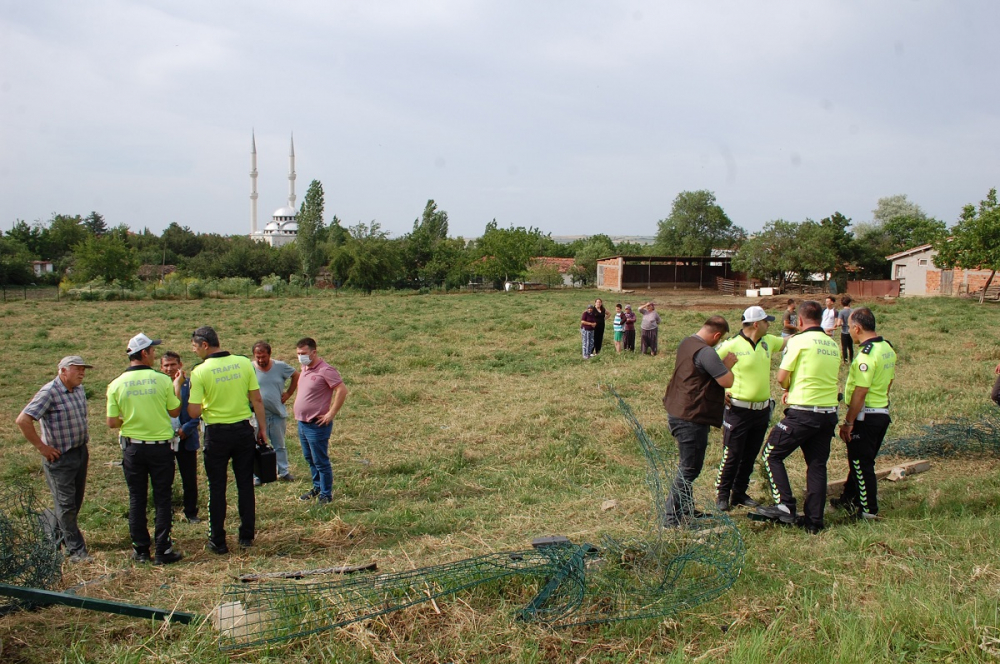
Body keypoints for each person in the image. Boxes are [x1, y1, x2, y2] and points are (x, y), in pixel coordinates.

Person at [756, 300, 841, 534]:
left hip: (803, 412)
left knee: (771, 454)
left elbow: (782, 376)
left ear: (800, 321)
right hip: (828, 413)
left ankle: (784, 505)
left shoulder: (798, 341)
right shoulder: (832, 344)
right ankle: (814, 521)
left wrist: (787, 390)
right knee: (817, 465)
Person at [188, 326, 267, 554]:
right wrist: (262, 428)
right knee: (245, 484)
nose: (194, 351)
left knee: (217, 487)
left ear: (205, 345)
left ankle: (218, 540)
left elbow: (193, 412)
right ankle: (246, 536)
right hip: (243, 430)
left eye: (194, 347)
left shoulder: (200, 372)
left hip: (217, 434)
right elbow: (257, 399)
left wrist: (204, 403)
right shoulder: (243, 363)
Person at [107, 333, 184, 564]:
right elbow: (174, 412)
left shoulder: (116, 384)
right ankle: (163, 550)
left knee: (137, 498)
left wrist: (130, 421)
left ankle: (141, 550)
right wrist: (177, 386)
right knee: (162, 498)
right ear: (143, 353)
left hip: (132, 448)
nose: (154, 355)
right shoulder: (162, 380)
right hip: (160, 449)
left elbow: (112, 422)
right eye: (152, 351)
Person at [16, 356, 94, 563]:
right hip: (59, 457)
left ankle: (54, 536)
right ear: (62, 371)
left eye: (83, 370)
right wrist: (42, 447)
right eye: (77, 369)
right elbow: (23, 420)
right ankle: (76, 550)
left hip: (79, 452)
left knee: (74, 502)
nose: (82, 373)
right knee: (66, 504)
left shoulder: (79, 390)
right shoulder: (49, 392)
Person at [661, 316, 738, 526]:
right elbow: (726, 380)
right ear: (717, 335)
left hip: (678, 409)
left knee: (687, 465)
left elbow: (698, 376)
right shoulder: (706, 352)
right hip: (691, 416)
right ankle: (671, 518)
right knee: (689, 469)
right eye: (720, 339)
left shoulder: (687, 343)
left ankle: (686, 509)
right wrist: (727, 364)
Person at [713, 306, 786, 512]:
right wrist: (720, 393)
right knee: (732, 453)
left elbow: (789, 342)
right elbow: (707, 366)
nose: (769, 324)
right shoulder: (731, 345)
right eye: (766, 321)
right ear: (756, 324)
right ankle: (723, 494)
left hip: (761, 411)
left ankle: (740, 492)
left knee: (750, 453)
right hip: (738, 410)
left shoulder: (768, 341)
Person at [833, 307, 896, 519]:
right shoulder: (886, 348)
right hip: (881, 412)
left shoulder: (866, 356)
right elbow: (889, 382)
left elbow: (861, 391)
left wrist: (849, 421)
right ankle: (848, 498)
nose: (849, 332)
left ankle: (868, 510)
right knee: (860, 460)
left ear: (857, 328)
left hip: (865, 415)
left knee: (861, 463)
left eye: (849, 328)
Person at [294, 337, 349, 504]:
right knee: (309, 458)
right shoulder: (304, 368)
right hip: (302, 423)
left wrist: (330, 414)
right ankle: (317, 487)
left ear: (314, 352)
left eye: (303, 353)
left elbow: (342, 390)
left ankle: (326, 494)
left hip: (316, 425)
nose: (300, 357)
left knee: (320, 460)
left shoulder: (326, 370)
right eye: (298, 354)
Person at [160, 351, 201, 524]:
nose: (170, 368)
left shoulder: (190, 385)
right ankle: (165, 511)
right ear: (161, 368)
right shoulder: (158, 386)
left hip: (186, 438)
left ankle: (191, 512)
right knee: (163, 478)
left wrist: (187, 428)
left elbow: (198, 410)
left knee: (189, 478)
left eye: (173, 364)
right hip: (163, 439)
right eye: (166, 365)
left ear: (180, 365)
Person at [252, 341, 299, 484]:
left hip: (276, 414)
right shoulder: (249, 368)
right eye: (257, 357)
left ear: (269, 354)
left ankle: (283, 471)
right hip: (255, 415)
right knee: (254, 446)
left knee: (280, 445)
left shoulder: (280, 367)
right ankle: (256, 475)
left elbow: (296, 375)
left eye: (263, 357)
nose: (261, 360)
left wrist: (289, 393)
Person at [837, 295, 854, 364]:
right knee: (851, 347)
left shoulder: (841, 312)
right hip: (851, 331)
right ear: (849, 303)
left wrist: (842, 324)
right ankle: (851, 359)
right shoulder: (853, 311)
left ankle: (845, 360)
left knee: (844, 347)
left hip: (844, 332)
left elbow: (838, 323)